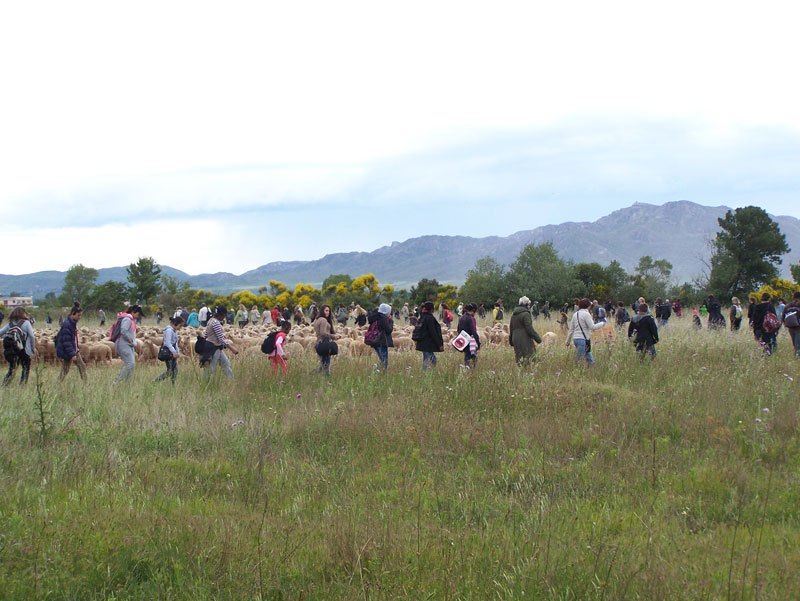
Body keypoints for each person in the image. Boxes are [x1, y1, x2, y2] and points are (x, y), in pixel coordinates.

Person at [201, 305, 240, 378]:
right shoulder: (216, 323)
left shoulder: (210, 321)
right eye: (224, 315)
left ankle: (231, 381)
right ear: (222, 315)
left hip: (214, 347)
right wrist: (232, 349)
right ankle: (206, 384)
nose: (224, 317)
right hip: (214, 348)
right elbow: (221, 339)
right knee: (211, 368)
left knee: (226, 364)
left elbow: (206, 334)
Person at [566, 298, 606, 366]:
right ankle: (577, 372)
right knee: (579, 360)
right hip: (583, 340)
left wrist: (568, 341)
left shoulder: (575, 314)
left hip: (576, 339)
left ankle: (592, 367)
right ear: (588, 306)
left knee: (589, 356)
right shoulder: (586, 314)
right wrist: (602, 323)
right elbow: (592, 327)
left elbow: (571, 329)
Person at [1, 307, 35, 386]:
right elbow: (32, 336)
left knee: (12, 368)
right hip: (23, 348)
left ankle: (5, 384)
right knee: (26, 365)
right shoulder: (26, 323)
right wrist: (33, 349)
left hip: (12, 349)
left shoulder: (10, 324)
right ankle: (23, 384)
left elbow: (1, 332)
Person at [55, 304, 87, 382]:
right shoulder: (67, 325)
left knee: (66, 368)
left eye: (80, 315)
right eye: (78, 315)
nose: (79, 317)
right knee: (81, 366)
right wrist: (72, 354)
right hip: (70, 350)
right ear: (73, 313)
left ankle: (58, 382)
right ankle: (85, 384)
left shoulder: (71, 323)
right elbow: (67, 341)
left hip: (73, 349)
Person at [113, 304, 143, 383]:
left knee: (132, 365)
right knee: (130, 364)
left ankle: (127, 384)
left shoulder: (131, 320)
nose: (139, 316)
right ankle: (116, 382)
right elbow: (123, 330)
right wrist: (130, 340)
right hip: (123, 344)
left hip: (129, 344)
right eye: (138, 314)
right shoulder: (127, 319)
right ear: (133, 312)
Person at [509, 296, 542, 365]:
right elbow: (529, 328)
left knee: (519, 358)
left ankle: (520, 374)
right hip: (524, 338)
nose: (529, 306)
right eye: (529, 304)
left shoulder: (514, 315)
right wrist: (538, 339)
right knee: (530, 357)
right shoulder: (526, 314)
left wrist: (511, 340)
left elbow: (511, 328)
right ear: (526, 305)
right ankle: (528, 373)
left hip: (515, 338)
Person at [414, 301, 444, 370]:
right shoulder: (429, 318)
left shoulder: (423, 316)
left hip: (423, 342)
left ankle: (429, 373)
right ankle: (425, 374)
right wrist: (439, 344)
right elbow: (433, 332)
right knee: (428, 360)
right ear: (431, 309)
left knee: (431, 359)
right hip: (428, 343)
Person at [155, 315, 184, 383]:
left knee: (174, 370)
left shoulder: (174, 331)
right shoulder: (169, 331)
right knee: (170, 370)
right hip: (168, 352)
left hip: (172, 352)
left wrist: (177, 352)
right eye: (180, 325)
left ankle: (173, 384)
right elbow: (168, 343)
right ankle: (156, 381)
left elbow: (175, 343)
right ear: (176, 323)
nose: (180, 328)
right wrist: (174, 352)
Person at [367, 303, 394, 371]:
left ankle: (376, 372)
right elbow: (388, 330)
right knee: (384, 361)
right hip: (382, 341)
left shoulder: (374, 317)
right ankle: (381, 374)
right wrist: (390, 321)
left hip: (374, 341)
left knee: (382, 359)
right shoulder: (382, 319)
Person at [312, 305, 338, 375]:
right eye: (326, 310)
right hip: (324, 343)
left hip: (319, 343)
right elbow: (323, 333)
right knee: (326, 365)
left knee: (323, 364)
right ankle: (326, 380)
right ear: (322, 311)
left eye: (329, 311)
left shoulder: (317, 320)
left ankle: (312, 375)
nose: (328, 312)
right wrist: (333, 336)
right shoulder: (323, 320)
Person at [457, 303, 481, 368]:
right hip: (470, 340)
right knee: (472, 357)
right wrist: (478, 342)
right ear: (473, 310)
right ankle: (471, 370)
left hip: (463, 340)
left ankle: (466, 368)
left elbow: (458, 329)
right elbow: (474, 331)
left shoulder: (462, 317)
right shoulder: (471, 318)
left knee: (466, 355)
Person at [782, 291, 800, 357]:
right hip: (799, 327)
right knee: (798, 346)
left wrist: (785, 324)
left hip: (790, 327)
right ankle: (797, 359)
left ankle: (796, 356)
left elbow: (783, 316)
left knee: (795, 345)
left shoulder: (788, 305)